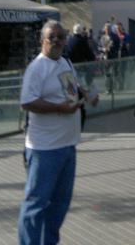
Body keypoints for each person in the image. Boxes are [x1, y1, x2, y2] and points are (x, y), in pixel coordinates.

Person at [18, 20, 84, 245]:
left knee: (59, 204)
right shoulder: (36, 68)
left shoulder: (66, 62)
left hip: (67, 145)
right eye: (51, 38)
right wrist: (59, 108)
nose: (56, 41)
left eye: (60, 37)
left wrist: (86, 95)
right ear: (42, 41)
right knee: (36, 204)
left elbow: (72, 87)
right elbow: (27, 102)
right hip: (44, 149)